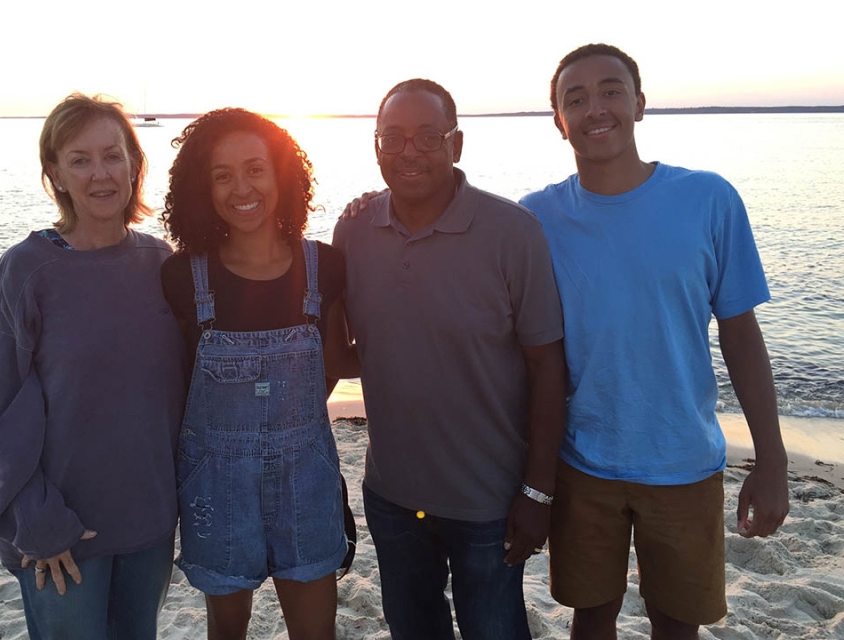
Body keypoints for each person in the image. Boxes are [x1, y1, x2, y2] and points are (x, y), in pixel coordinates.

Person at [518, 44, 790, 639]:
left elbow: (741, 336)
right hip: (582, 460)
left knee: (677, 622)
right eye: (576, 98)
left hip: (684, 461)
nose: (596, 108)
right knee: (591, 617)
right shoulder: (534, 218)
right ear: (559, 121)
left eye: (611, 91)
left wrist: (771, 460)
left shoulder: (708, 199)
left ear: (639, 104)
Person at [332, 79, 567, 640]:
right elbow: (340, 353)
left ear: (456, 144)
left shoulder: (513, 232)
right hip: (391, 496)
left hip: (487, 501)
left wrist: (538, 492)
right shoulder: (353, 229)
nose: (408, 151)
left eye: (427, 137)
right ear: (375, 146)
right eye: (393, 138)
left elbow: (547, 369)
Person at [0, 94, 186, 640]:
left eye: (113, 156)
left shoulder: (161, 263)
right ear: (55, 173)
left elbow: (179, 396)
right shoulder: (27, 270)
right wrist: (37, 521)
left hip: (149, 523)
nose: (101, 174)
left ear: (135, 164)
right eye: (80, 159)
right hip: (62, 531)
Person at [159, 108, 358, 640]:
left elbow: (336, 360)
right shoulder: (182, 277)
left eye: (255, 169)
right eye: (221, 175)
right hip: (215, 486)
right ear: (203, 188)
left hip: (307, 485)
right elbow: (175, 384)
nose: (240, 188)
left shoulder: (325, 266)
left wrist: (288, 426)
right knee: (227, 629)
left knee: (316, 630)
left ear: (282, 175)